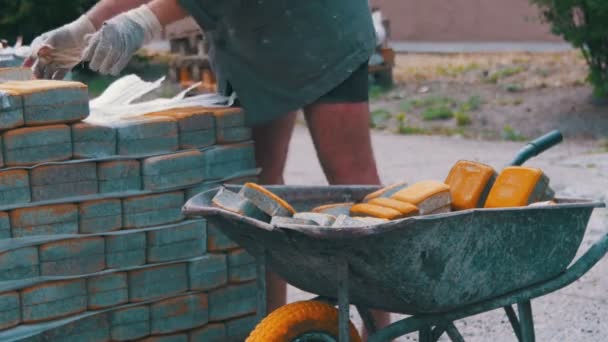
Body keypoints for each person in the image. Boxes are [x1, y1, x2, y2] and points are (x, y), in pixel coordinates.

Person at [24, 0, 390, 337]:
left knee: (351, 178)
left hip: (316, 23)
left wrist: (142, 22)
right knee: (257, 193)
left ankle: (379, 329)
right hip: (254, 37)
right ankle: (268, 328)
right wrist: (84, 26)